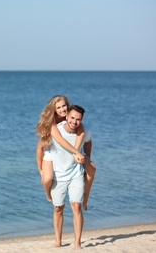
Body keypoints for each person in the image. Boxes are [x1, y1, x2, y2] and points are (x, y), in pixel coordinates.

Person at [36, 95, 96, 210]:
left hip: (72, 150)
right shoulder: (52, 122)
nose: (62, 109)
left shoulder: (71, 117)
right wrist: (40, 170)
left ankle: (86, 197)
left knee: (92, 169)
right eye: (58, 108)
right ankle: (48, 193)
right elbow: (57, 141)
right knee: (47, 179)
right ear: (54, 110)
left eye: (64, 106)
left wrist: (83, 155)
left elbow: (83, 134)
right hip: (51, 150)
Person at [49, 105, 90, 249]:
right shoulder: (56, 130)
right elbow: (42, 146)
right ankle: (58, 241)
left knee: (76, 206)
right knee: (58, 208)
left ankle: (77, 242)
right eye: (72, 118)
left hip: (76, 174)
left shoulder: (83, 132)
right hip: (58, 175)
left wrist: (87, 158)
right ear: (66, 116)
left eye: (78, 119)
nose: (74, 122)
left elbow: (89, 141)